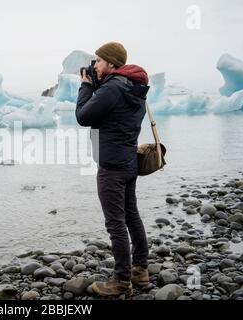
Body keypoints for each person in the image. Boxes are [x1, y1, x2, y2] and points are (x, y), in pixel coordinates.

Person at [75, 42, 150, 297]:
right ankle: (140, 269)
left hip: (111, 167)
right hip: (128, 162)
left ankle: (121, 281)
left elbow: (84, 117)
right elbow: (110, 112)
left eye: (98, 60)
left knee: (115, 224)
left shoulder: (113, 88)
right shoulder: (133, 87)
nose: (94, 65)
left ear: (111, 63)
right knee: (131, 215)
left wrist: (85, 86)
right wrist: (97, 86)